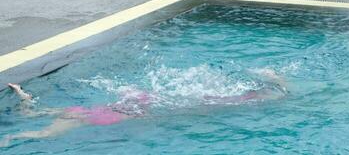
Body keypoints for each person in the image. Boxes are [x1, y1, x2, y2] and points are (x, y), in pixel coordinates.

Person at [0, 68, 287, 147]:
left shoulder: (77, 117)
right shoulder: (141, 103)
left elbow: (42, 130)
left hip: (94, 112)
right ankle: (12, 133)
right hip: (101, 113)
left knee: (39, 121)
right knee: (38, 131)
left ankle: (22, 100)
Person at [0, 83, 151, 147]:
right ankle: (10, 137)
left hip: (75, 110)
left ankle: (23, 95)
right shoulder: (134, 115)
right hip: (74, 119)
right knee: (44, 134)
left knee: (29, 114)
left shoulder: (115, 105)